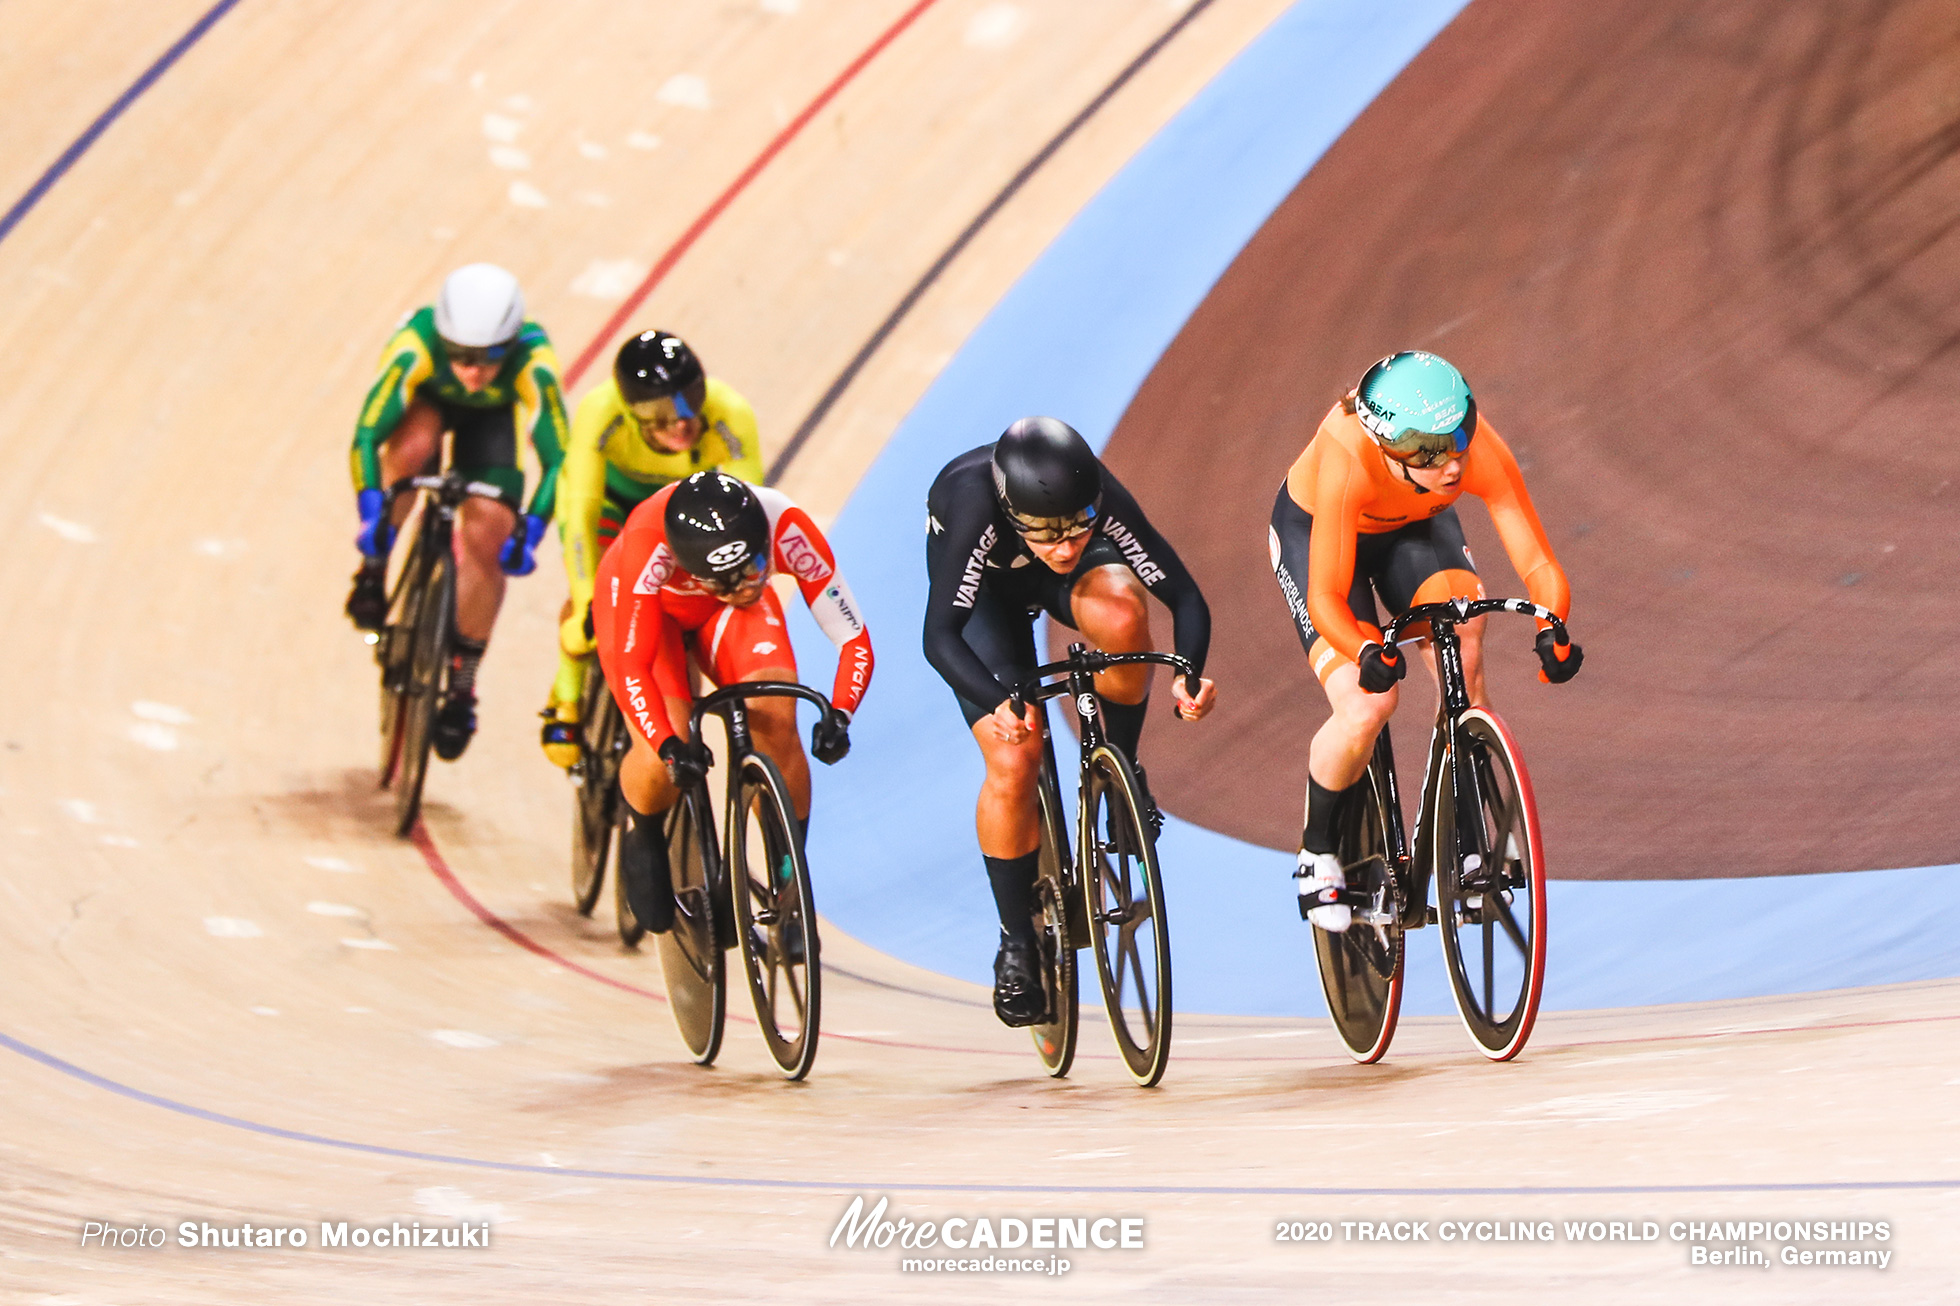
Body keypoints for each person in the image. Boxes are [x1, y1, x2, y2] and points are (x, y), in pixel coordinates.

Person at [1268, 351, 1582, 931]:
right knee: (1367, 705)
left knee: (1463, 641)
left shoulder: (1468, 448)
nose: (1453, 465)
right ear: (1389, 449)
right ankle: (1316, 854)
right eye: (1430, 454)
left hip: (1413, 527)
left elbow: (1537, 559)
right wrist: (1365, 651)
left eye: (1458, 436)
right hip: (1319, 534)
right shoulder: (1348, 457)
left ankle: (1467, 834)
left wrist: (1551, 624)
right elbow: (1327, 599)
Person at [923, 416, 1216, 1027]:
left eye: (1077, 528)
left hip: (1057, 587)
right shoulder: (974, 503)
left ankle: (1122, 768)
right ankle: (1016, 944)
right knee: (1015, 757)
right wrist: (999, 700)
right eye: (1046, 533)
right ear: (1011, 510)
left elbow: (1185, 597)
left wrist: (1189, 673)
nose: (1063, 546)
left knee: (1122, 611)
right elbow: (939, 638)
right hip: (983, 603)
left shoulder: (1097, 496)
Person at [591, 470, 870, 933]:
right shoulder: (647, 542)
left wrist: (841, 712)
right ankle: (643, 832)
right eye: (726, 580)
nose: (745, 585)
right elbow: (634, 666)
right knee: (668, 743)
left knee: (777, 713)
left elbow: (854, 638)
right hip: (650, 613)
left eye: (755, 568)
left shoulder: (784, 523)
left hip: (723, 615)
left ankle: (787, 873)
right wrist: (665, 745)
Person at [343, 263, 568, 760]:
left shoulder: (534, 360)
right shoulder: (415, 347)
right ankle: (376, 569)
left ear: (510, 344)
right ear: (442, 338)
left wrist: (529, 531)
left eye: (488, 359)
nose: (472, 371)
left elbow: (560, 459)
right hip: (427, 405)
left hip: (489, 423)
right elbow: (367, 435)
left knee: (488, 531)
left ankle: (463, 683)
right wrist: (371, 510)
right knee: (412, 449)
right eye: (461, 356)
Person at [541, 330, 765, 768]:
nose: (680, 423)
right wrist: (587, 592)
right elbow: (581, 513)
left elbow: (749, 511)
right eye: (658, 416)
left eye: (688, 403)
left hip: (679, 517)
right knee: (599, 598)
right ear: (629, 411)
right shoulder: (599, 411)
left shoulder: (729, 414)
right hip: (610, 504)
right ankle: (566, 692)